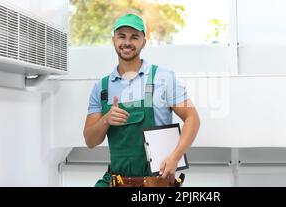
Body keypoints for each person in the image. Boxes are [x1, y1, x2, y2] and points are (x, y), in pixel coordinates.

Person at [83, 13, 200, 187]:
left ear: (143, 42)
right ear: (113, 40)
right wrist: (106, 119)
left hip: (157, 183)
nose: (127, 42)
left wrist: (175, 157)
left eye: (134, 37)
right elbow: (90, 141)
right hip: (117, 182)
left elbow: (193, 119)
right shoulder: (102, 87)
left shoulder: (163, 78)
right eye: (121, 36)